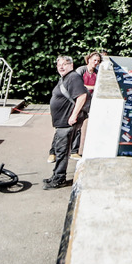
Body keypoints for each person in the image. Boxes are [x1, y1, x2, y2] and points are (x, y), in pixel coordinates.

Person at [45, 55, 87, 189]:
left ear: (71, 65)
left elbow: (82, 96)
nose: (61, 67)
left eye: (64, 64)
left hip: (66, 121)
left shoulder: (73, 77)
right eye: (59, 65)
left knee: (62, 151)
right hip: (61, 121)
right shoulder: (65, 78)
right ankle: (56, 175)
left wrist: (74, 115)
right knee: (59, 149)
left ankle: (59, 179)